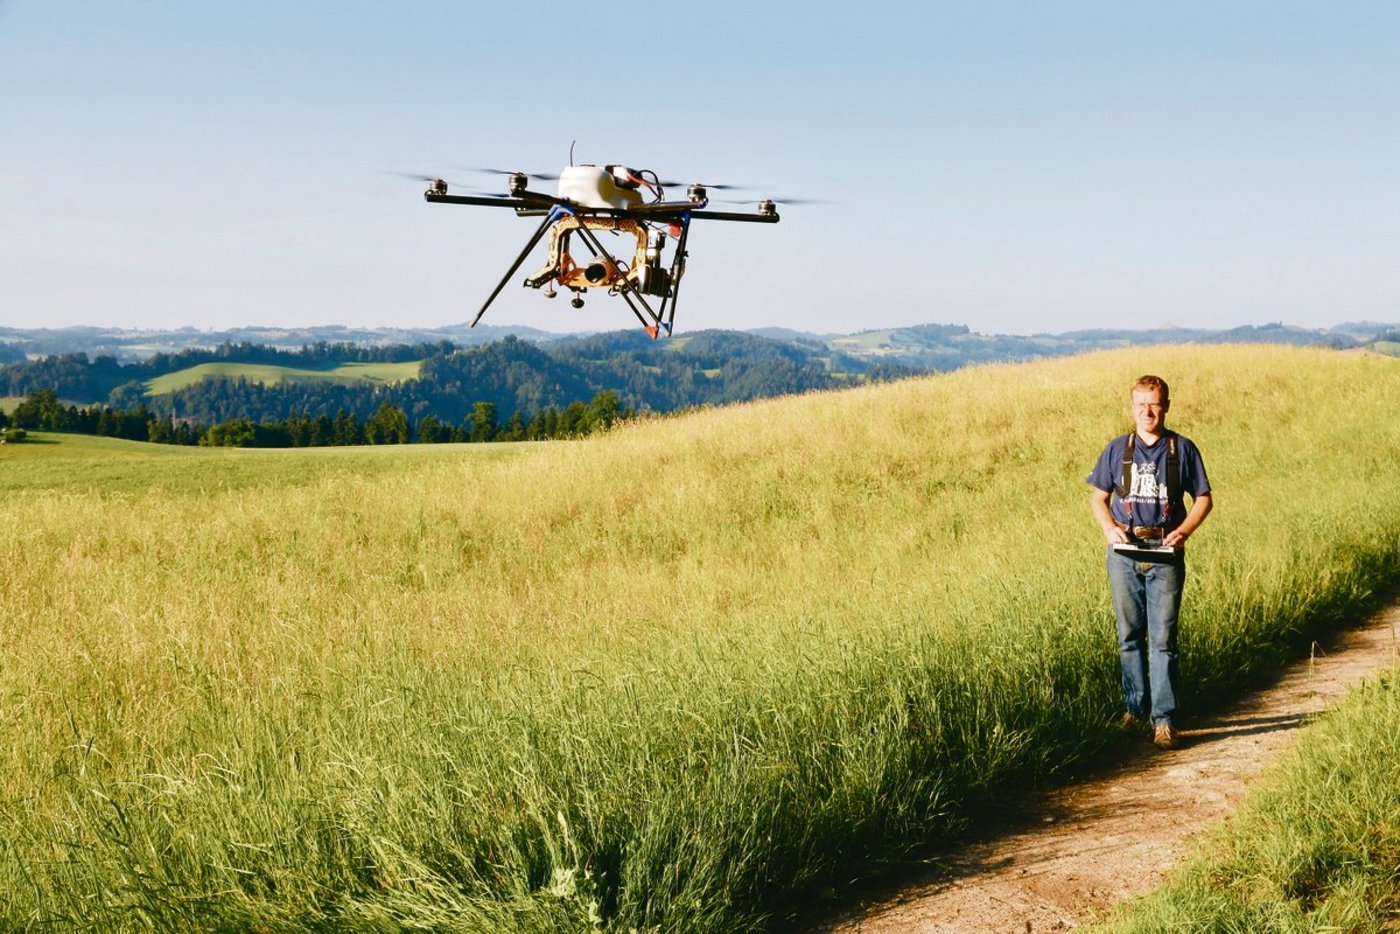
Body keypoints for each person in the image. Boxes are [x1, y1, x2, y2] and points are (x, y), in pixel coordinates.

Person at [1087, 375, 1213, 750]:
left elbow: (1204, 498)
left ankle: (1164, 721)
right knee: (1128, 637)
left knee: (1163, 640)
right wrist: (1110, 529)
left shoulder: (1183, 449)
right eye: (1140, 404)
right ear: (1132, 408)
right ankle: (1134, 711)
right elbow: (1098, 497)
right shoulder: (1116, 450)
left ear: (1167, 405)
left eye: (1154, 403)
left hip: (1166, 556)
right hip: (1124, 555)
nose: (1147, 411)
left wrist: (1185, 531)